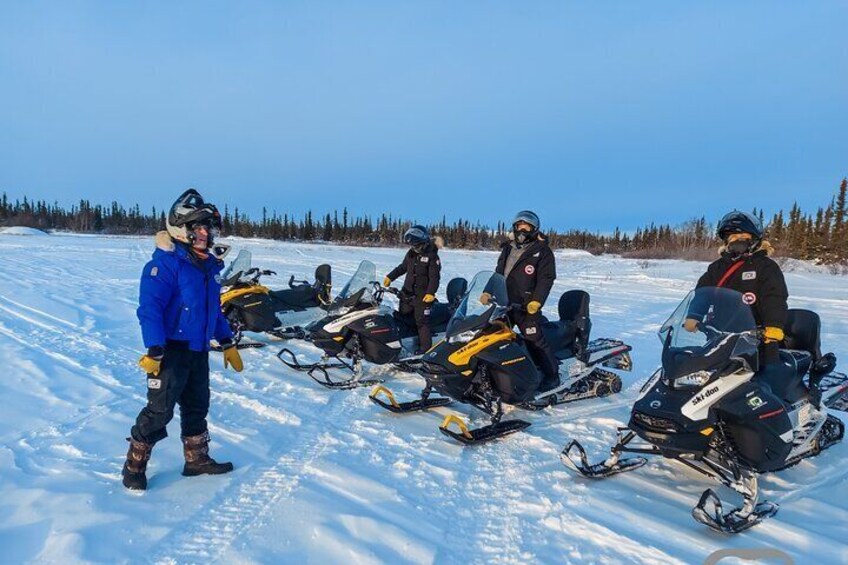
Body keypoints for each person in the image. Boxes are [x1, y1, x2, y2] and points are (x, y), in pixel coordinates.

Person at [122, 189, 244, 491]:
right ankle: (134, 465)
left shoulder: (208, 267)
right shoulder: (164, 265)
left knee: (197, 405)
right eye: (198, 228)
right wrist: (154, 347)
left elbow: (212, 311)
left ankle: (196, 459)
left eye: (208, 228)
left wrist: (226, 342)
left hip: (198, 350)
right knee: (160, 411)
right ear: (181, 229)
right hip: (169, 352)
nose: (204, 234)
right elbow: (149, 309)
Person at [685, 210, 788, 366]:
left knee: (768, 379)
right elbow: (703, 293)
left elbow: (774, 297)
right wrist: (694, 315)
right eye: (732, 238)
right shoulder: (717, 267)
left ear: (754, 239)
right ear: (726, 242)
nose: (737, 241)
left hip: (758, 337)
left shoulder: (765, 266)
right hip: (720, 335)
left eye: (743, 238)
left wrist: (773, 325)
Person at [489, 210, 559, 392]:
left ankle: (552, 375)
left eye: (526, 227)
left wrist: (536, 301)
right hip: (504, 303)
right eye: (519, 226)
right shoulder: (508, 248)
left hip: (526, 307)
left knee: (534, 339)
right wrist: (489, 291)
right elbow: (498, 273)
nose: (522, 230)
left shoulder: (542, 252)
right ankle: (496, 372)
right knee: (491, 336)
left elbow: (546, 279)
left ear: (534, 229)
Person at [383, 225, 442, 354]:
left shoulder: (432, 256)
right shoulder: (411, 253)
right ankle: (405, 344)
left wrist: (431, 293)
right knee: (403, 319)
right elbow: (403, 267)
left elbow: (434, 277)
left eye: (417, 246)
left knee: (421, 323)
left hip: (423, 296)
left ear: (423, 242)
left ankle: (425, 350)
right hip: (407, 294)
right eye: (413, 246)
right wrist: (390, 277)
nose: (415, 249)